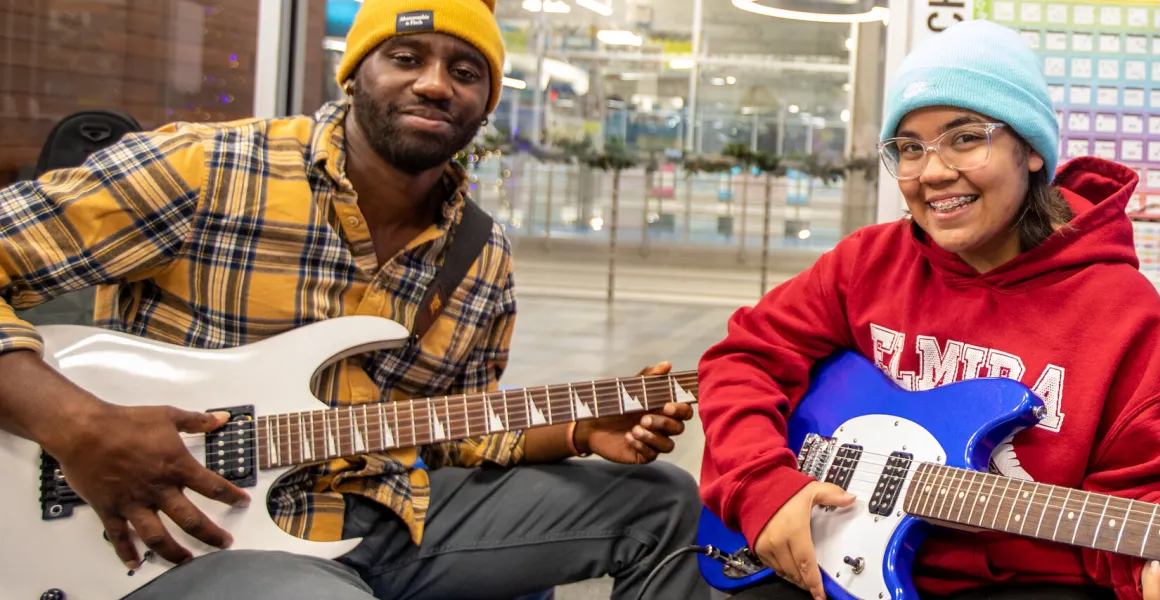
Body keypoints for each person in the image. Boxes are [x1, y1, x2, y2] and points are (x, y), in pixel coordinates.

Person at [0, 1, 709, 598]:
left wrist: (582, 430)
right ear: (355, 74)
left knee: (665, 502)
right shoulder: (211, 170)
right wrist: (79, 425)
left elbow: (447, 428)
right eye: (406, 57)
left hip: (390, 518)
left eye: (466, 73)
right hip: (201, 531)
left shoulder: (480, 252)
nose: (436, 85)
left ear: (486, 105)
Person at [695, 20, 1160, 600]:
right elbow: (743, 360)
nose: (932, 172)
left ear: (1031, 150)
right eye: (909, 148)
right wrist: (763, 485)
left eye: (964, 138)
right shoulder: (868, 263)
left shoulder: (1120, 311)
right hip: (839, 555)